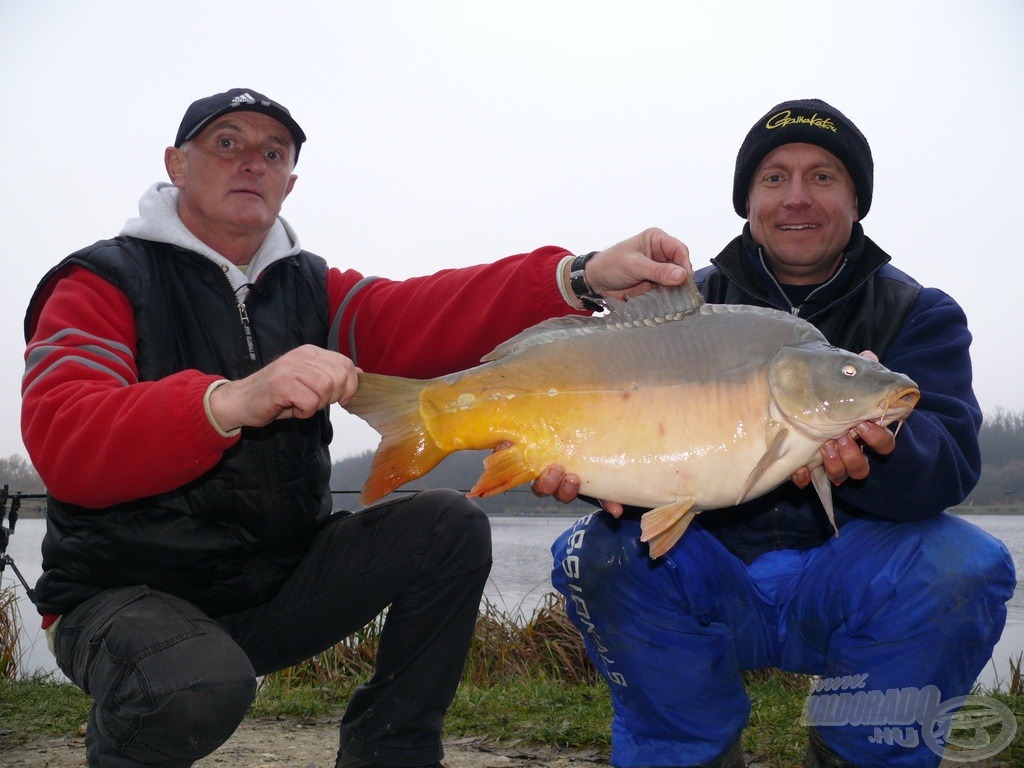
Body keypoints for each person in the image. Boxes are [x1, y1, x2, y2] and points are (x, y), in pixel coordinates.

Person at [20, 87, 692, 768]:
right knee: (192, 685)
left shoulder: (313, 288)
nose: (251, 162)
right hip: (122, 599)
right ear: (177, 163)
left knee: (446, 526)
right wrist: (226, 402)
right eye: (227, 143)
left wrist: (581, 277)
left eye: (273, 152)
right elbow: (65, 439)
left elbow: (421, 312)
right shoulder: (101, 282)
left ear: (290, 183)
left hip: (274, 589)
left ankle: (388, 753)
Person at [545, 99, 1017, 767]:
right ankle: (687, 751)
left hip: (844, 578)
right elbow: (624, 427)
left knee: (967, 565)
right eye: (774, 177)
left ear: (857, 198)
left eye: (823, 176)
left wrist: (885, 452)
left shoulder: (919, 312)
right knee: (595, 547)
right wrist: (589, 472)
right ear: (748, 202)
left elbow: (952, 464)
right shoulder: (683, 308)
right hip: (704, 570)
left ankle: (861, 749)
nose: (797, 197)